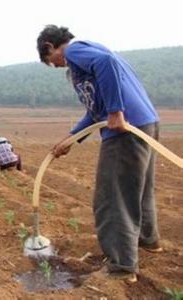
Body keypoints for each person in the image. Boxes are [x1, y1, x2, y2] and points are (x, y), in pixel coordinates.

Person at [37, 25, 161, 283]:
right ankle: (147, 241)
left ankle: (122, 266)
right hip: (144, 123)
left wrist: (116, 111)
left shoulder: (75, 51)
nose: (58, 67)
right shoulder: (89, 54)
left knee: (112, 197)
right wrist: (71, 139)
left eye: (51, 62)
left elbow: (106, 64)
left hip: (125, 130)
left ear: (50, 47)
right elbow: (95, 111)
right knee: (138, 189)